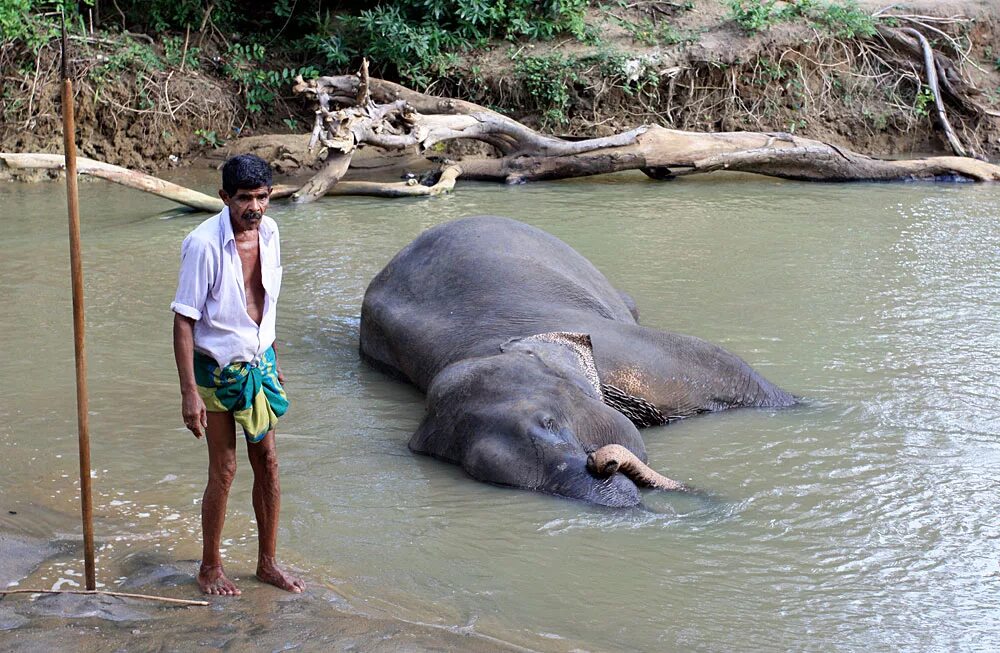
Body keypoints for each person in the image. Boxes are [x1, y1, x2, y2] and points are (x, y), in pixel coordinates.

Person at [171, 154, 304, 596]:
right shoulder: (203, 244)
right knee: (224, 469)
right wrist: (189, 392)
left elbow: (265, 302)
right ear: (224, 197)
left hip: (259, 362)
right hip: (216, 370)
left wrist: (274, 358)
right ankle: (210, 567)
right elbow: (184, 320)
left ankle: (267, 563)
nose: (255, 207)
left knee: (267, 461)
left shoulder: (270, 233)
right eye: (244, 198)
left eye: (262, 197)